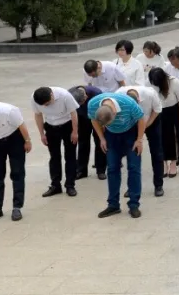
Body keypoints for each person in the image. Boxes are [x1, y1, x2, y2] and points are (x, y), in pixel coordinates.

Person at [88, 91, 146, 219]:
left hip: (130, 133)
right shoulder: (92, 104)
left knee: (134, 168)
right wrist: (102, 138)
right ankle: (113, 205)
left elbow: (141, 119)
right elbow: (93, 120)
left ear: (114, 112)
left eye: (109, 122)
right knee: (112, 168)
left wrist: (139, 140)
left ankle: (134, 205)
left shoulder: (128, 103)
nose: (108, 125)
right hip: (111, 136)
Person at [31, 86, 80, 198]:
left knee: (70, 156)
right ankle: (55, 185)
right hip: (50, 127)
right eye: (44, 105)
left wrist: (75, 132)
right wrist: (42, 134)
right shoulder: (34, 98)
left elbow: (73, 113)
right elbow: (38, 115)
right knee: (54, 157)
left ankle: (70, 185)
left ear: (52, 95)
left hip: (67, 126)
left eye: (47, 103)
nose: (46, 106)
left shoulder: (65, 96)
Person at [118, 85, 164, 197]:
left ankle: (158, 185)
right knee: (133, 154)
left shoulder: (150, 94)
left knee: (157, 152)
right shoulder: (119, 95)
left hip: (151, 120)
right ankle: (132, 187)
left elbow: (157, 109)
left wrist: (147, 125)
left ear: (139, 100)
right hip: (132, 123)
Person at [149, 68, 179, 178]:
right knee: (159, 138)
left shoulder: (174, 82)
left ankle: (173, 162)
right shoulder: (150, 82)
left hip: (172, 110)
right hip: (157, 111)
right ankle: (163, 163)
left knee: (171, 137)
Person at [70, 85, 106, 180]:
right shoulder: (70, 93)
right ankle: (82, 170)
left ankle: (101, 170)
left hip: (97, 117)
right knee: (83, 142)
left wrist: (103, 124)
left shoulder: (97, 93)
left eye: (82, 102)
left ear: (86, 96)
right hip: (82, 118)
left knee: (100, 142)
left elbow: (103, 109)